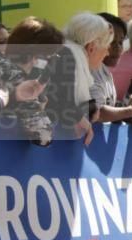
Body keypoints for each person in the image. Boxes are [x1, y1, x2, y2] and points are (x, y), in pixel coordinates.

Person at [0, 17, 63, 145]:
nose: (47, 63)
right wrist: (39, 102)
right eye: (48, 56)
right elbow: (43, 136)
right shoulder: (11, 74)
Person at [44, 12, 114, 145]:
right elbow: (63, 102)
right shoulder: (68, 54)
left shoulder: (66, 51)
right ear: (91, 47)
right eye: (106, 47)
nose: (107, 53)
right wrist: (81, 120)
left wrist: (89, 110)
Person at [91, 12, 132, 129]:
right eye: (111, 42)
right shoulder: (90, 69)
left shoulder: (105, 71)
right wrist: (128, 111)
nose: (118, 47)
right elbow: (97, 112)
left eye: (120, 42)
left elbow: (108, 105)